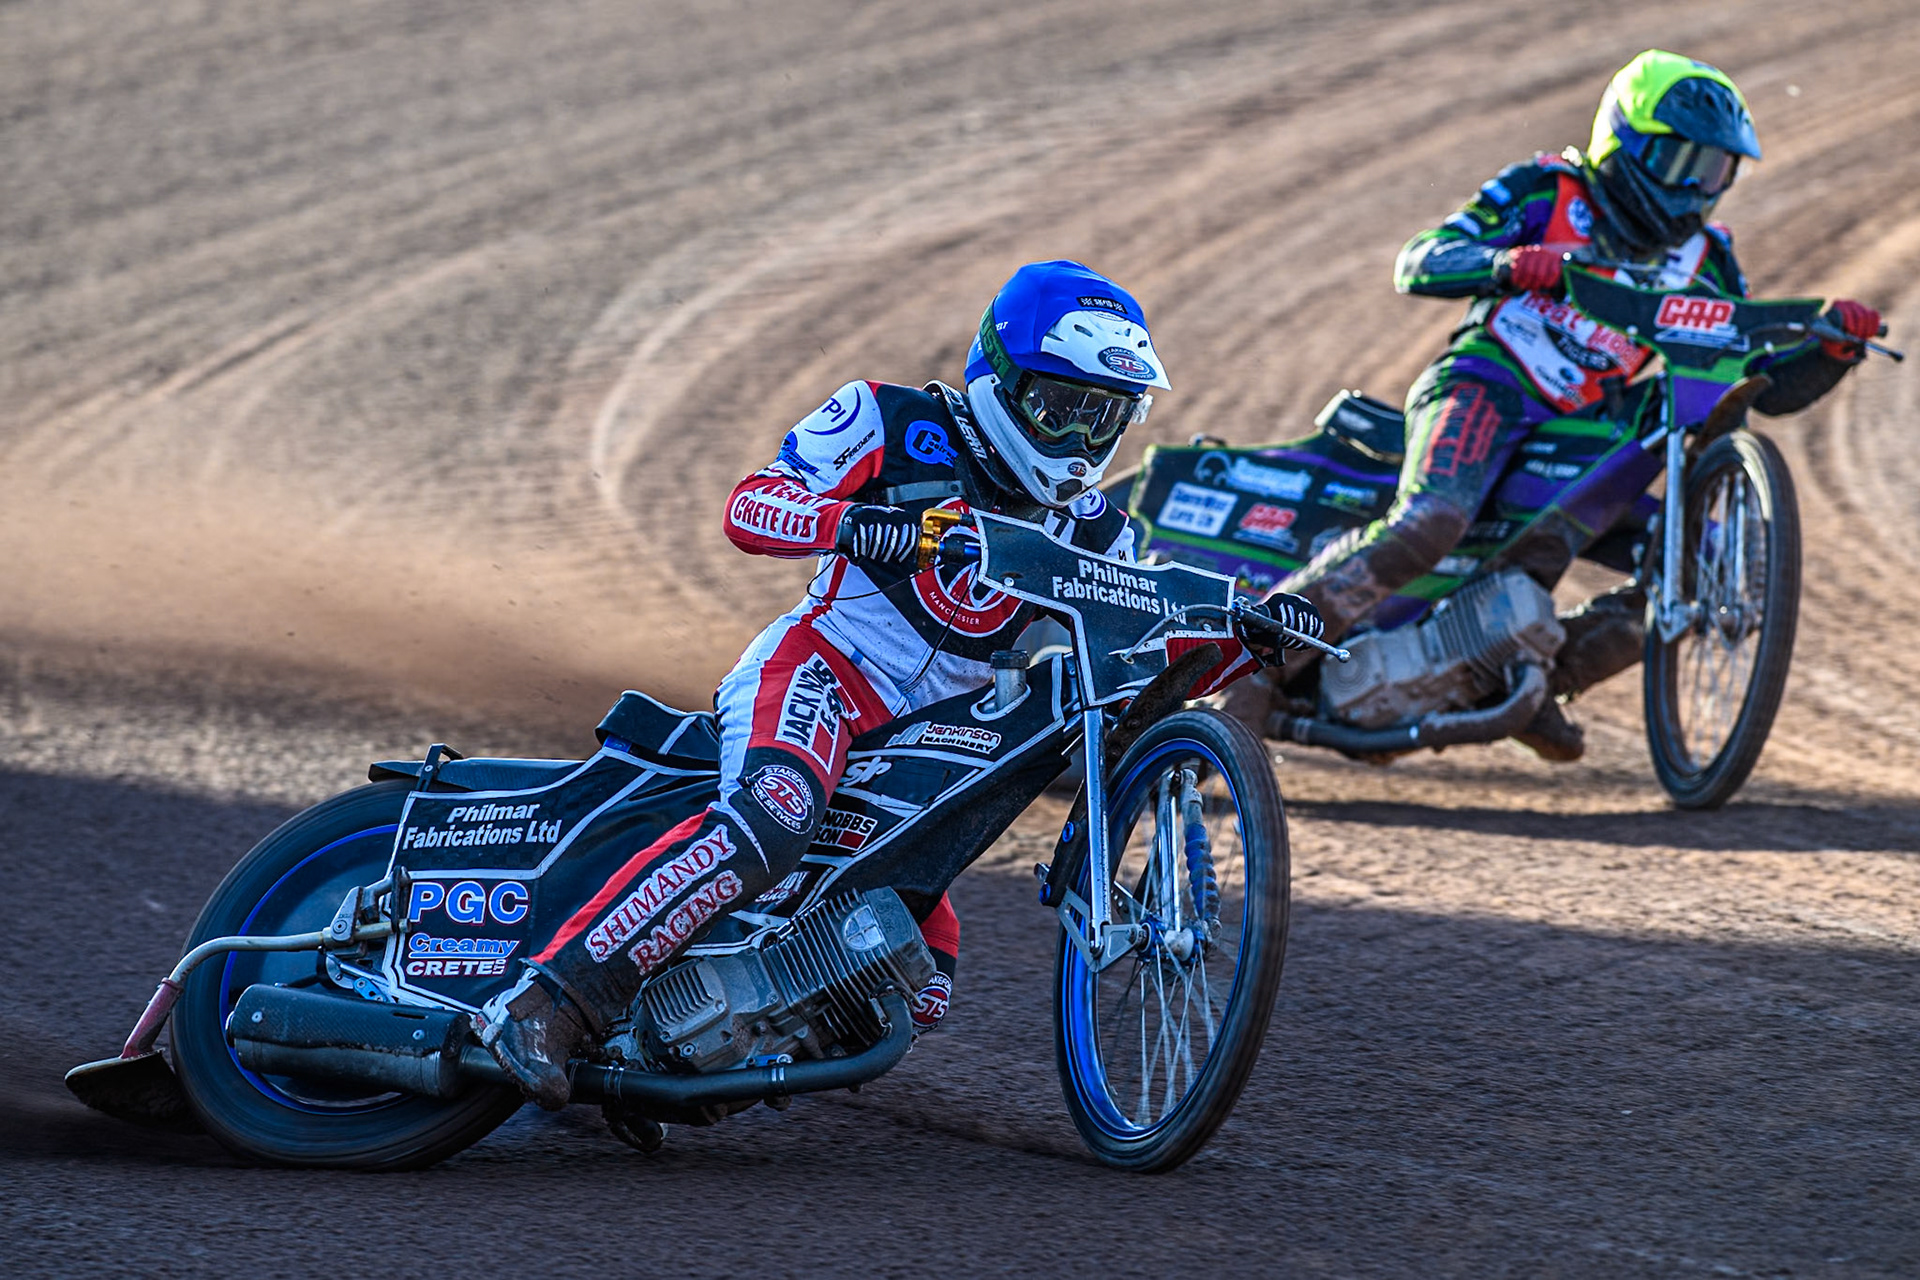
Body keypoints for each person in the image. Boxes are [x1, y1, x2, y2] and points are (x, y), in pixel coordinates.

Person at [477, 260, 1324, 1107]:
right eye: (1060, 408)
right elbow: (750, 507)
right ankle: (546, 1003)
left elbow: (1142, 648)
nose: (1077, 440)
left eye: (1102, 419)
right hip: (821, 670)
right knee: (773, 814)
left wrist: (1247, 638)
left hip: (931, 735)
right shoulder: (889, 417)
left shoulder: (1099, 529)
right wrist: (867, 526)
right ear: (1003, 375)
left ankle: (678, 1060)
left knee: (922, 982)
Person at [1253, 49, 1883, 760]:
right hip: (1486, 383)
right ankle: (1248, 674)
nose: (1696, 188)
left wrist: (1831, 351)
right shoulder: (1548, 191)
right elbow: (1422, 257)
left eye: (1713, 170)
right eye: (1681, 163)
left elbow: (1753, 376)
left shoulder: (1708, 260)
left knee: (1702, 567)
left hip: (1588, 432)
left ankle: (1534, 680)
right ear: (1625, 142)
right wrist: (1505, 263)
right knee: (1433, 518)